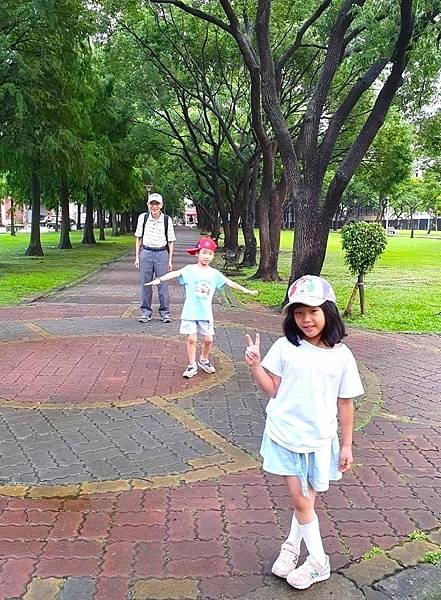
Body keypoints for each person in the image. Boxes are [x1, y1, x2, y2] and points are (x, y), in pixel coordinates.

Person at [244, 275, 364, 590]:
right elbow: (273, 390)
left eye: (313, 311)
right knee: (302, 500)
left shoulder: (341, 356)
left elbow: (346, 403)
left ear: (329, 311)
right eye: (298, 312)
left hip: (320, 439)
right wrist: (256, 366)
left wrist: (347, 446)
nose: (306, 319)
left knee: (305, 501)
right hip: (285, 435)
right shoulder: (286, 347)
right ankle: (318, 560)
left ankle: (296, 550)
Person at [146, 237, 258, 378]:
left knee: (208, 340)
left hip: (205, 313)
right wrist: (159, 280)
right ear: (197, 253)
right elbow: (175, 274)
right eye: (204, 252)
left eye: (210, 253)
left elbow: (229, 282)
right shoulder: (189, 270)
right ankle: (191, 365)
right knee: (192, 339)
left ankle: (203, 360)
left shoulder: (214, 274)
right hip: (190, 312)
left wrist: (245, 290)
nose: (207, 256)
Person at [134, 193, 176, 323]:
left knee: (162, 283)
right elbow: (138, 238)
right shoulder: (143, 217)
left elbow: (170, 241)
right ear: (148, 205)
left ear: (161, 205)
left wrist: (169, 260)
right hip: (146, 253)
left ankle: (165, 312)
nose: (154, 206)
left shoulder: (166, 219)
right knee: (145, 283)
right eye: (152, 203)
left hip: (161, 253)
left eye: (157, 204)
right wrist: (137, 257)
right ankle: (146, 312)